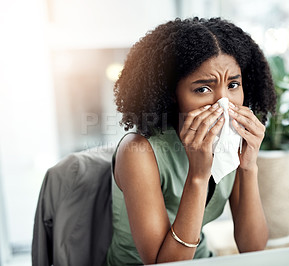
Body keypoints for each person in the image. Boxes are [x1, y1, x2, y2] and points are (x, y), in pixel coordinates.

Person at [107, 17, 276, 265]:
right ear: (171, 94)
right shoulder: (138, 151)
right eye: (202, 89)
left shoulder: (230, 145)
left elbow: (253, 248)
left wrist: (248, 167)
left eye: (233, 85)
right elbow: (163, 264)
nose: (223, 103)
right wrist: (198, 174)